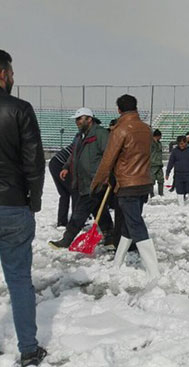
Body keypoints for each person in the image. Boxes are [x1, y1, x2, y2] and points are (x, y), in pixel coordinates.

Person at [0, 49, 47, 366]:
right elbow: (34, 161)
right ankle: (28, 349)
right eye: (12, 73)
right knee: (18, 280)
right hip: (13, 205)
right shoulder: (19, 109)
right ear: (3, 74)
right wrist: (34, 201)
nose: (14, 78)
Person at [91, 94, 160, 278]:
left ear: (119, 109)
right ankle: (117, 263)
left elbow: (108, 160)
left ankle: (153, 271)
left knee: (135, 224)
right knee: (128, 226)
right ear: (136, 107)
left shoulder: (120, 130)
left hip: (127, 184)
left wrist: (97, 182)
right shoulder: (146, 129)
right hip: (144, 183)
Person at [48, 107, 114, 250]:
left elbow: (109, 155)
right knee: (98, 210)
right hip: (82, 180)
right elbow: (73, 155)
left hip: (96, 180)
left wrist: (107, 174)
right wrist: (66, 167)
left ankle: (66, 240)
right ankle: (110, 237)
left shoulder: (101, 134)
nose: (77, 122)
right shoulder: (79, 136)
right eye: (76, 119)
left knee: (79, 212)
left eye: (79, 119)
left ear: (89, 119)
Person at [49, 141, 79, 227]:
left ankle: (62, 222)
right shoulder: (83, 143)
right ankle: (75, 222)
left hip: (54, 163)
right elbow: (74, 159)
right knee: (75, 191)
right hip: (61, 165)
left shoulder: (80, 139)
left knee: (64, 194)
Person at [166, 135, 189, 206]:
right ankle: (181, 205)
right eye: (179, 144)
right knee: (179, 190)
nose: (180, 145)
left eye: (182, 143)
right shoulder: (175, 151)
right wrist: (167, 172)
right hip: (178, 174)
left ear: (186, 143)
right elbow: (171, 162)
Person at [150, 129, 164, 197]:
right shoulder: (150, 143)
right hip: (152, 164)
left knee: (161, 180)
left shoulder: (159, 143)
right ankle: (151, 194)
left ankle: (161, 193)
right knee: (151, 180)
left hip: (159, 164)